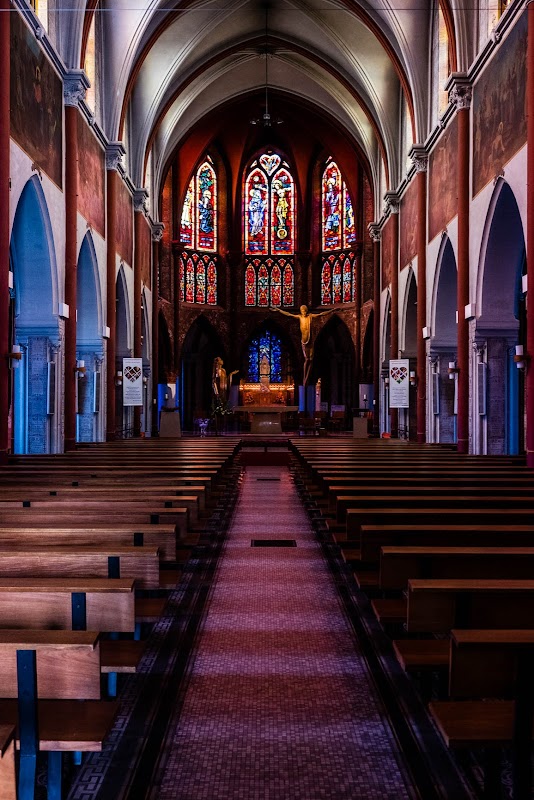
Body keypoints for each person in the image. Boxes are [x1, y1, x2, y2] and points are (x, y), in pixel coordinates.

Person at [269, 304, 335, 386]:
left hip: (310, 340)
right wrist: (279, 310)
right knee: (307, 360)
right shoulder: (300, 317)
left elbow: (321, 314)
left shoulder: (310, 317)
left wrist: (332, 310)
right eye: (302, 311)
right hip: (304, 340)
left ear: (306, 311)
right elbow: (289, 314)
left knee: (311, 359)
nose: (303, 312)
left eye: (304, 311)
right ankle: (305, 378)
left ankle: (307, 377)